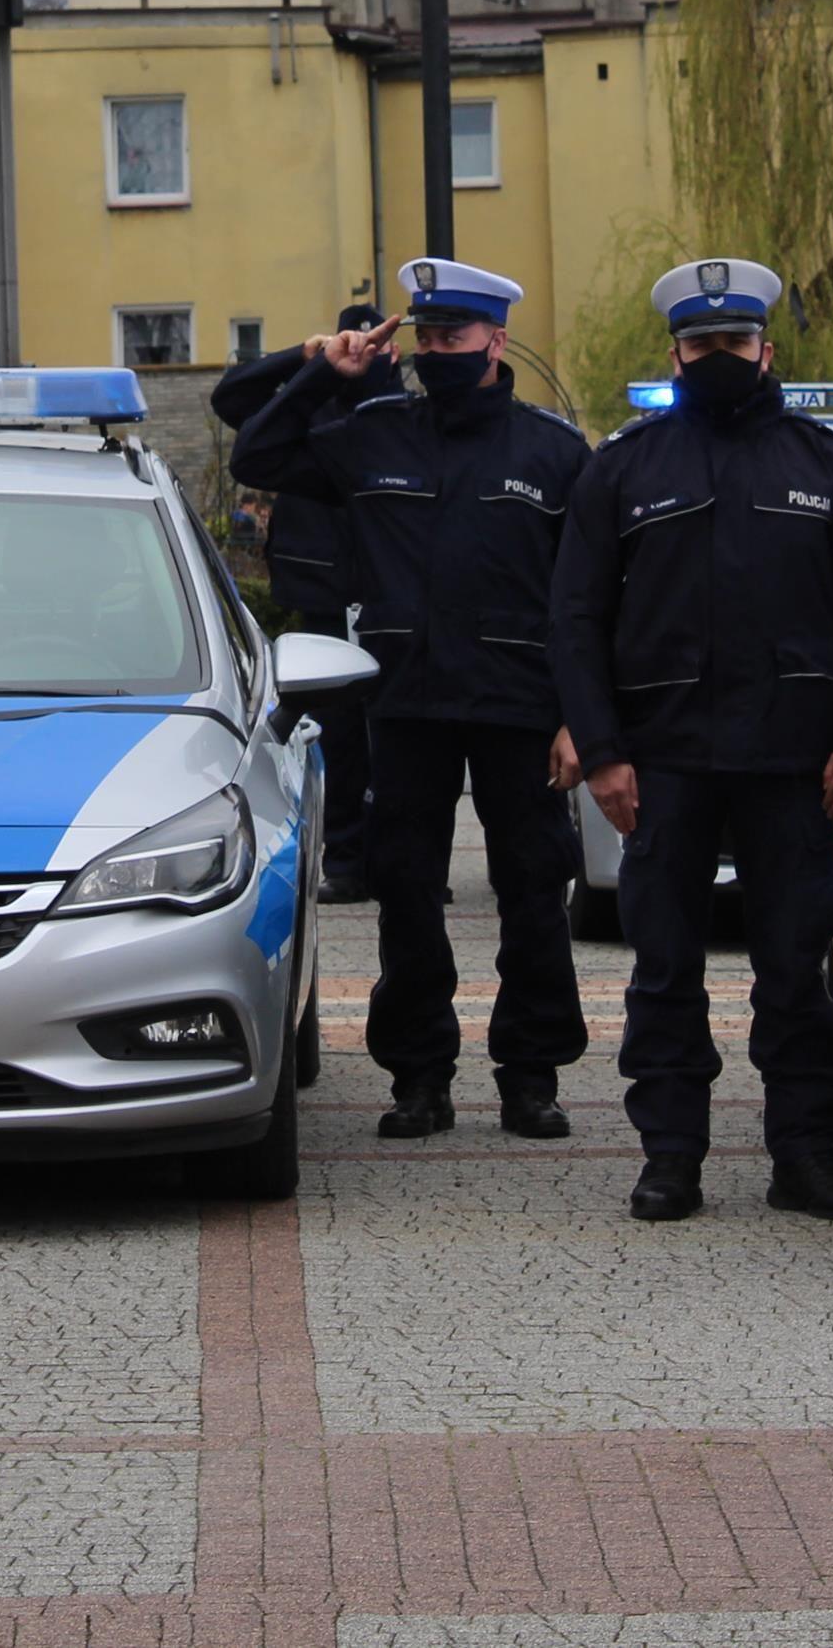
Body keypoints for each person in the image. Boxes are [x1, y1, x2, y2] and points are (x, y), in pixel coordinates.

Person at [552, 256, 833, 1224]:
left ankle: (804, 1153)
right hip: (662, 763)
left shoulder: (822, 460)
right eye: (702, 344)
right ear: (675, 350)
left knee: (795, 967)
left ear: (766, 348)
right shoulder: (623, 466)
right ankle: (670, 1156)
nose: (719, 356)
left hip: (795, 764)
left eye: (735, 342)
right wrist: (604, 749)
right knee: (664, 969)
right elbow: (575, 619)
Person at [232, 257, 588, 1140]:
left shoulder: (552, 450)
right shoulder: (376, 430)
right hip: (407, 701)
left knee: (533, 889)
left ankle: (530, 1074)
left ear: (496, 341)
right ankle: (419, 1075)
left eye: (453, 336)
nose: (436, 351)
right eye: (426, 337)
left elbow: (589, 598)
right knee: (406, 892)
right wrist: (327, 367)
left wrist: (586, 715)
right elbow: (257, 451)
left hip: (520, 703)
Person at [212, 305, 397, 902]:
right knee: (340, 736)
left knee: (399, 738)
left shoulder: (398, 418)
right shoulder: (310, 406)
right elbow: (231, 402)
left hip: (391, 598)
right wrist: (305, 359)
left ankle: (397, 855)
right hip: (323, 593)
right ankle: (346, 858)